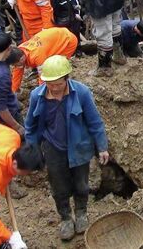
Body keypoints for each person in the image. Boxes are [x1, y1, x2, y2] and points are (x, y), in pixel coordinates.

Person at [24, 55, 110, 241]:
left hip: (79, 146)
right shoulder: (37, 97)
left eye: (58, 84)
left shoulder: (82, 93)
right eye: (50, 84)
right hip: (53, 148)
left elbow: (95, 122)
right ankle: (65, 218)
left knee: (81, 183)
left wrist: (102, 147)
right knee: (59, 186)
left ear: (67, 78)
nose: (54, 88)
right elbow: (30, 126)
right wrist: (33, 150)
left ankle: (81, 213)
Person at [10, 27, 79, 92]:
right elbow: (17, 71)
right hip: (57, 37)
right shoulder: (20, 50)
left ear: (22, 59)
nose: (15, 66)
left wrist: (41, 93)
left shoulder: (37, 56)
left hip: (68, 41)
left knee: (57, 66)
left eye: (16, 64)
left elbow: (43, 76)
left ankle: (64, 85)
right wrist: (13, 90)